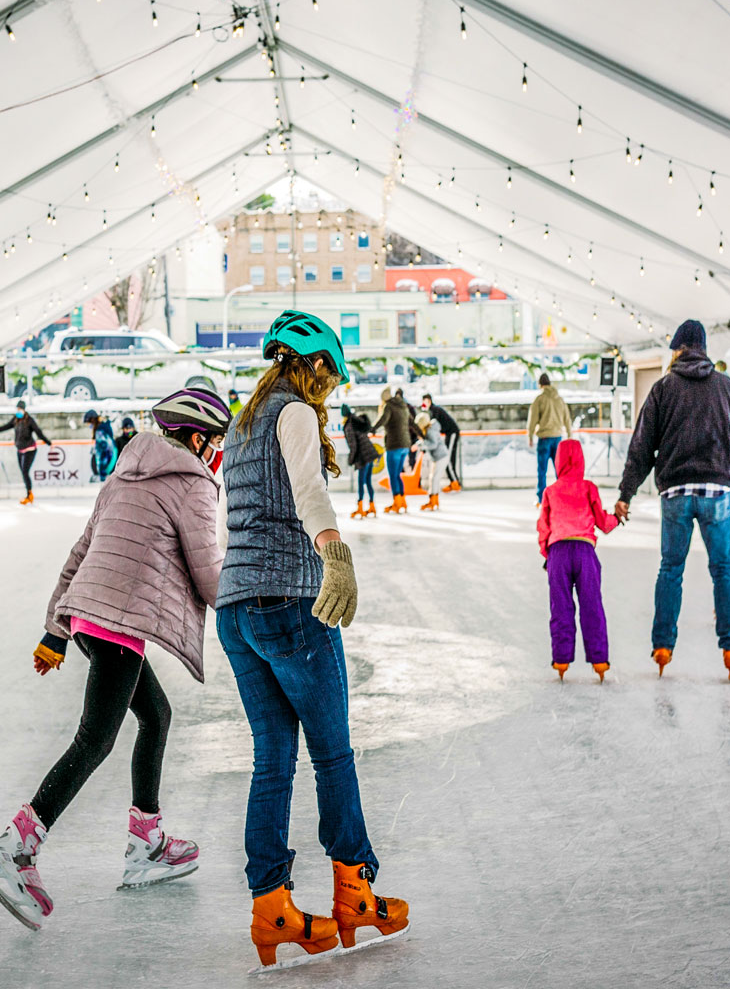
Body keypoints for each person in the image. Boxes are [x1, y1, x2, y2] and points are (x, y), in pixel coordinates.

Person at [0, 388, 232, 930]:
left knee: (156, 716)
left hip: (89, 619)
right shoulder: (194, 484)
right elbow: (210, 576)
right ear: (198, 439)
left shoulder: (122, 474)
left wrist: (56, 633)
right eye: (217, 442)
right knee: (95, 740)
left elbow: (80, 553)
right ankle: (14, 848)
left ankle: (146, 842)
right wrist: (251, 594)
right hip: (119, 622)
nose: (218, 453)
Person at [215, 310, 409, 971]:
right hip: (288, 603)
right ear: (316, 364)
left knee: (273, 758)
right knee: (332, 753)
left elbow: (234, 515)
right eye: (329, 375)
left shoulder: (243, 422)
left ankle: (272, 909)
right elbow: (307, 492)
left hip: (236, 608)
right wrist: (336, 555)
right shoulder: (293, 410)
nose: (328, 389)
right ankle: (356, 894)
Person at [615, 320, 730, 681]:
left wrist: (626, 493)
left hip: (676, 493)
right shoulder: (727, 388)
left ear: (677, 349)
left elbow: (641, 447)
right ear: (703, 348)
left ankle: (662, 646)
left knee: (671, 569)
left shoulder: (663, 389)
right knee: (724, 570)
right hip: (717, 492)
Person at [537, 440, 619, 682]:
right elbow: (603, 522)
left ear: (558, 461)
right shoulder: (588, 488)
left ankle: (561, 660)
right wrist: (616, 518)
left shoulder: (550, 492)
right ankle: (600, 660)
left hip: (558, 553)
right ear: (581, 460)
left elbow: (543, 528)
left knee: (560, 607)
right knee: (592, 605)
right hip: (585, 552)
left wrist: (547, 556)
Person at [0, 401, 51, 504]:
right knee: (23, 473)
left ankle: (29, 495)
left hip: (30, 450)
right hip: (20, 450)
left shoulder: (29, 420)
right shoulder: (15, 420)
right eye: (17, 409)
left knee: (25, 471)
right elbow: (4, 427)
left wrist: (49, 443)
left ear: (24, 410)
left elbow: (38, 432)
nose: (18, 411)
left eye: (20, 409)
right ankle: (28, 493)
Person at [527, 373, 573, 506]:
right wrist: (569, 434)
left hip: (544, 438)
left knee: (542, 470)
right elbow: (567, 418)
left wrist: (530, 435)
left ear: (540, 384)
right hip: (558, 438)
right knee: (560, 469)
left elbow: (533, 419)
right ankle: (563, 495)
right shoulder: (560, 399)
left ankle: (541, 499)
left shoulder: (539, 399)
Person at [372, 386, 412, 514]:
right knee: (398, 475)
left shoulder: (388, 406)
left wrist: (372, 429)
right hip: (405, 445)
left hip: (394, 445)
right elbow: (411, 422)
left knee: (393, 476)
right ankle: (402, 501)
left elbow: (383, 420)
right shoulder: (402, 405)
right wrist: (422, 434)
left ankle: (397, 503)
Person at [341, 404, 377, 520]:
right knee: (368, 481)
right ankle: (372, 506)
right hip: (370, 453)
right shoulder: (357, 420)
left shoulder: (349, 426)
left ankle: (360, 507)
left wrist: (350, 460)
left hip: (363, 456)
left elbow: (353, 445)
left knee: (361, 482)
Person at [421, 393, 462, 492]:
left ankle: (455, 483)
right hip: (449, 434)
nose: (423, 404)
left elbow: (434, 426)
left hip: (452, 433)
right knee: (448, 458)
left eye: (424, 402)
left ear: (429, 401)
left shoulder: (435, 410)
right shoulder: (433, 410)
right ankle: (453, 481)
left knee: (449, 459)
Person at [414, 411, 448, 511]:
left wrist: (420, 445)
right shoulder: (429, 429)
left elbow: (433, 444)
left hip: (441, 457)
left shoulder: (430, 431)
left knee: (434, 479)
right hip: (438, 457)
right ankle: (434, 500)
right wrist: (419, 444)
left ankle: (433, 501)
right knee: (433, 478)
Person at [84, 409, 118, 482]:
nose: (89, 426)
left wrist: (102, 472)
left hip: (106, 469)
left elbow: (103, 453)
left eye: (89, 424)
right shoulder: (105, 428)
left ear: (92, 421)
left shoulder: (100, 432)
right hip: (111, 464)